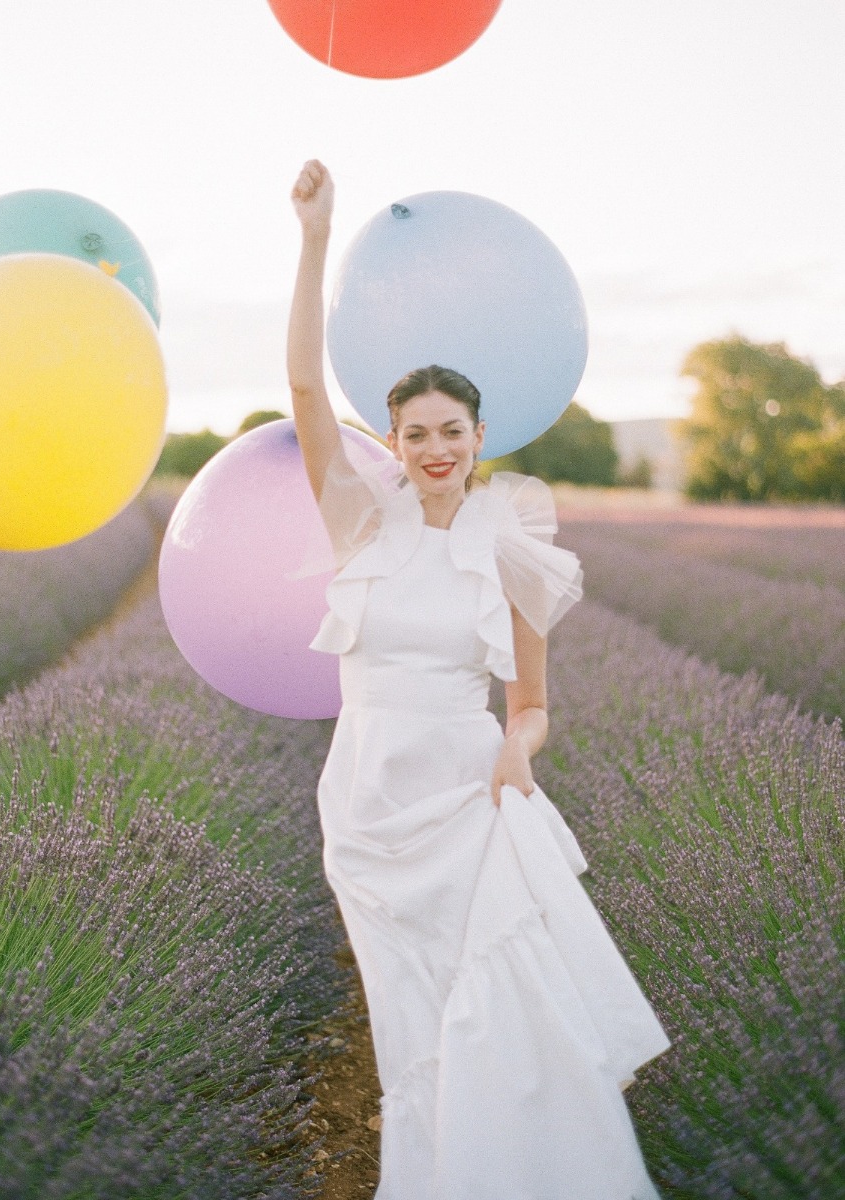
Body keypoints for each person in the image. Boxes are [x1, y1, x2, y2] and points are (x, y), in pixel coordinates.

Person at [288, 158, 671, 1200]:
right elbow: (304, 394)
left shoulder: (512, 544)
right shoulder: (358, 520)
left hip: (468, 794)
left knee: (496, 1004)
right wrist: (316, 239)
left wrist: (517, 747)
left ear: (478, 437)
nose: (434, 448)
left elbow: (534, 703)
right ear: (395, 445)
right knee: (410, 1020)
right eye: (414, 434)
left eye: (451, 431)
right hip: (369, 805)